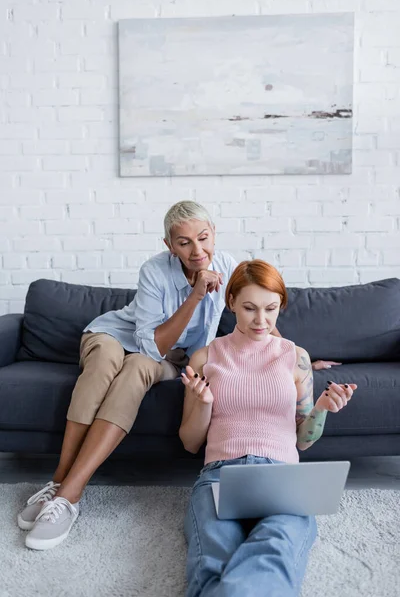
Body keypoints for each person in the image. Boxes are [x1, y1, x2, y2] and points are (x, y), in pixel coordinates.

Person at [18, 200, 239, 551]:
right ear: (169, 246)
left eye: (203, 238)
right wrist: (195, 295)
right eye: (184, 242)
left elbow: (256, 310)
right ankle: (60, 482)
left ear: (214, 234)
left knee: (136, 367)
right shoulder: (155, 271)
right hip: (115, 337)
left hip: (168, 359)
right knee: (107, 358)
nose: (197, 250)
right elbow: (152, 344)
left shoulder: (228, 267)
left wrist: (295, 356)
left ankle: (68, 494)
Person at [179, 259, 357, 597]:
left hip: (283, 478)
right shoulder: (205, 358)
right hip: (220, 475)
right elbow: (189, 442)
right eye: (249, 308)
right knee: (213, 559)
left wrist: (321, 409)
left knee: (275, 549)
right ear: (231, 302)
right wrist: (203, 404)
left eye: (271, 309)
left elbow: (303, 441)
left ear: (280, 306)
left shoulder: (296, 357)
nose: (261, 320)